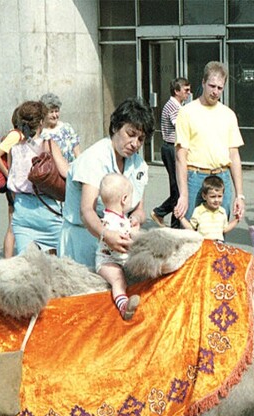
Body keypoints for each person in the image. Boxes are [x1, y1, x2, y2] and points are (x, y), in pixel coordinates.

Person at [61, 98, 153, 267]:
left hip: (118, 246)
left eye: (141, 139)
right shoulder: (94, 158)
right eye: (131, 134)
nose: (135, 144)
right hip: (83, 240)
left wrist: (136, 219)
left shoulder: (139, 164)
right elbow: (87, 210)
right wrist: (105, 234)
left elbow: (139, 209)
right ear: (115, 128)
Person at [174, 61, 246, 224]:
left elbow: (234, 155)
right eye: (211, 86)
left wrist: (239, 195)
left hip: (222, 177)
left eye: (219, 88)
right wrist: (183, 194)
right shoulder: (187, 112)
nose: (215, 92)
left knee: (218, 232)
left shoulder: (228, 114)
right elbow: (180, 156)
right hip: (195, 178)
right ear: (203, 83)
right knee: (191, 233)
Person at [4, 100, 69, 254]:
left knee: (27, 265)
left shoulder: (14, 147)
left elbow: (11, 178)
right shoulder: (48, 144)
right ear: (41, 122)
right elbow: (66, 172)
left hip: (22, 211)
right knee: (60, 261)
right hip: (47, 210)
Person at [95, 173, 140, 321]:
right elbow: (122, 243)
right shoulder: (109, 222)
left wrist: (134, 227)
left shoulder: (121, 218)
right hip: (107, 261)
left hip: (121, 260)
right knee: (118, 279)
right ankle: (123, 306)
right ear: (124, 199)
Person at [151, 77, 191, 227]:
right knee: (177, 188)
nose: (188, 93)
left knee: (178, 187)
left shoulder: (178, 106)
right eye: (185, 90)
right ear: (176, 91)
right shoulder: (173, 107)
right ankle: (159, 212)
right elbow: (180, 126)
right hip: (171, 148)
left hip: (173, 148)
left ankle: (176, 222)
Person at [0, 107, 22, 258]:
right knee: (13, 226)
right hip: (14, 185)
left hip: (18, 184)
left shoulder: (18, 135)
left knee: (16, 225)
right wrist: (8, 174)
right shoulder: (15, 136)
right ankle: (8, 261)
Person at [179, 175, 239, 241]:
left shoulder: (222, 211)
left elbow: (224, 229)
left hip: (218, 245)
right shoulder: (199, 211)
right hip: (204, 244)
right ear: (204, 196)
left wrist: (236, 220)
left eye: (219, 196)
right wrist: (181, 218)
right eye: (213, 197)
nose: (216, 200)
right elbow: (191, 228)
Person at [39, 93, 81, 162]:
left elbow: (77, 152)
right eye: (51, 112)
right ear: (44, 113)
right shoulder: (41, 133)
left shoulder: (66, 128)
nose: (55, 115)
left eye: (56, 111)